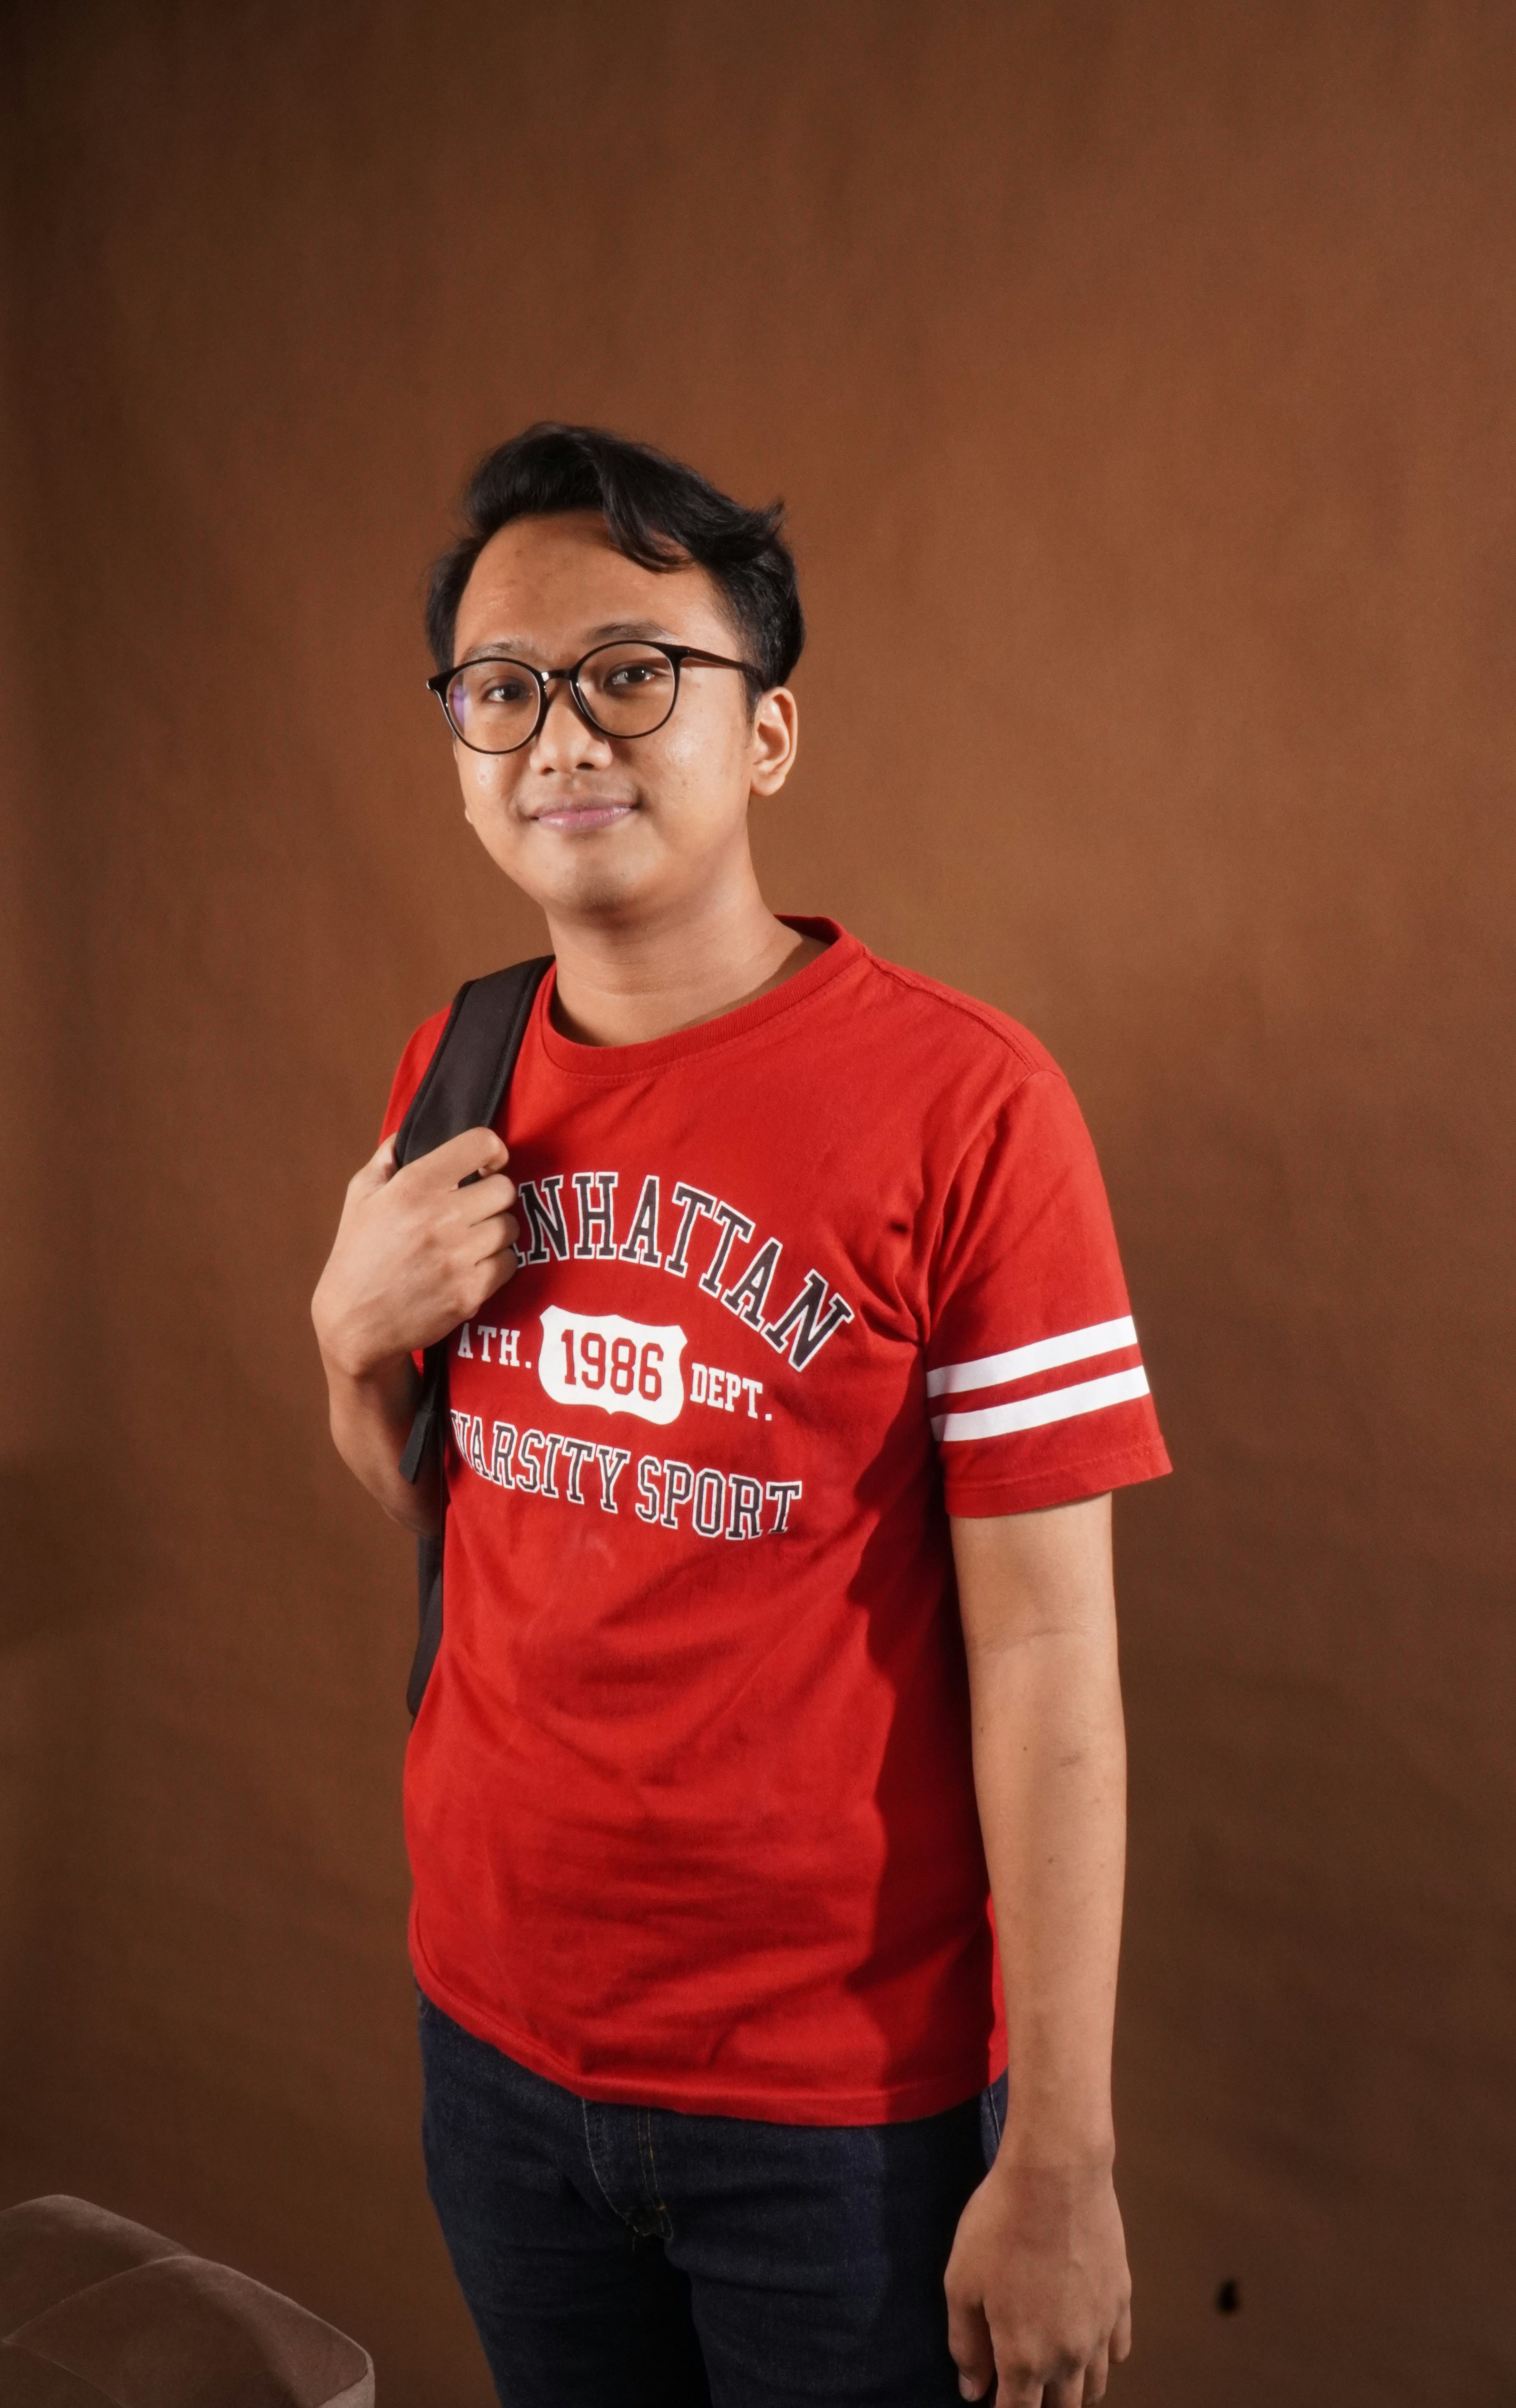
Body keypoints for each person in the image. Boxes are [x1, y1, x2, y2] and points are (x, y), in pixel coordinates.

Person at [311, 423, 1170, 2408]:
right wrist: (348, 1344)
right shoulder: (454, 1061)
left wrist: (1063, 2153)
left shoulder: (971, 1108)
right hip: (495, 2046)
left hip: (832, 2108)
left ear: (764, 735)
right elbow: (446, 1498)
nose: (560, 737)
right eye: (501, 690)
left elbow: (1046, 1649)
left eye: (632, 672)